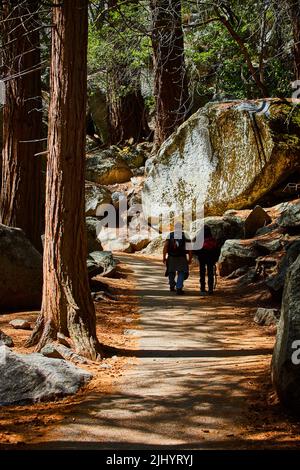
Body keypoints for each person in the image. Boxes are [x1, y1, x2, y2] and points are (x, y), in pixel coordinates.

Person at [163, 222, 192, 295]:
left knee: (171, 271)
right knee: (181, 272)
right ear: (182, 228)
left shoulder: (170, 235)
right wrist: (190, 258)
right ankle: (179, 287)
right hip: (182, 257)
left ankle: (172, 285)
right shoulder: (185, 235)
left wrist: (164, 257)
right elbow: (190, 248)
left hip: (171, 256)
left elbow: (166, 246)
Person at [195, 225, 220, 296]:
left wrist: (198, 255)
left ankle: (202, 288)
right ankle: (210, 289)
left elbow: (195, 249)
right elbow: (217, 251)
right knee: (210, 273)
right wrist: (215, 259)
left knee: (202, 273)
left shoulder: (199, 239)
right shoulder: (212, 239)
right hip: (211, 259)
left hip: (202, 258)